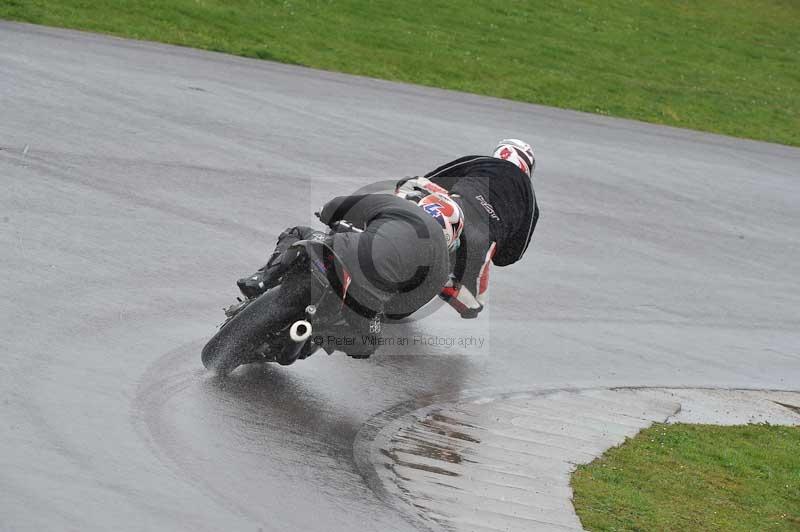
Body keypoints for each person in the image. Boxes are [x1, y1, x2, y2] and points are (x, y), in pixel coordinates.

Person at [236, 192, 460, 357]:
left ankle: (261, 280)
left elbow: (334, 207)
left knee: (297, 233)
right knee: (367, 344)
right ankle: (317, 334)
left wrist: (329, 217)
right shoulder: (441, 268)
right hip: (368, 296)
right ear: (452, 233)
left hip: (340, 250)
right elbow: (400, 311)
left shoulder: (398, 205)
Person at [396, 139, 539, 319]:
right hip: (481, 243)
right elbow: (511, 256)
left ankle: (378, 219)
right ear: (528, 167)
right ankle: (446, 283)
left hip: (455, 209)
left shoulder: (483, 162)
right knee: (473, 306)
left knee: (409, 185)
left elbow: (436, 177)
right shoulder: (531, 201)